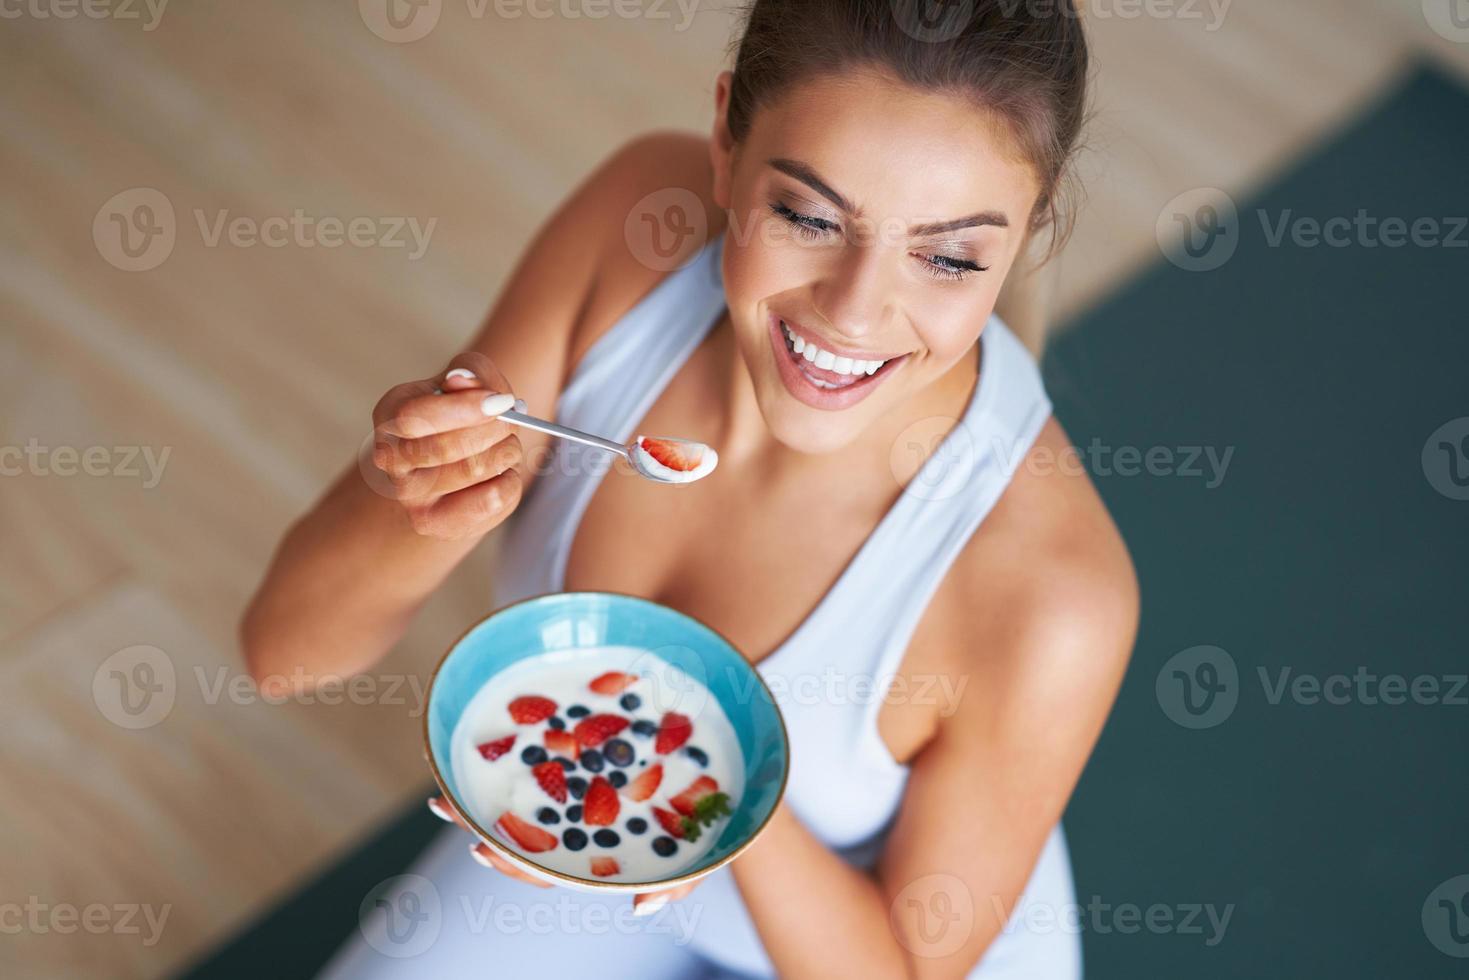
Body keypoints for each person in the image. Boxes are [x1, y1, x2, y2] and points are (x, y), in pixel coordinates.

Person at [242, 2, 1137, 976]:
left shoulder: (1057, 592)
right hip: (610, 825)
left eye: (947, 256)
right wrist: (417, 497)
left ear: (1027, 233)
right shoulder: (637, 235)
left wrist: (724, 796)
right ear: (724, 139)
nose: (851, 313)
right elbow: (280, 655)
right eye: (806, 214)